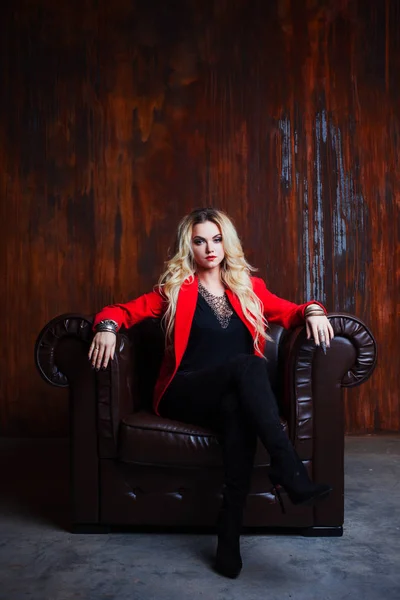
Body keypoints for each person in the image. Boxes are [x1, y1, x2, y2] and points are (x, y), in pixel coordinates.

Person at [89, 207, 334, 579]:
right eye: (200, 240)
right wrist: (107, 327)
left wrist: (315, 311)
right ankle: (288, 468)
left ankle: (229, 538)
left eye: (217, 239)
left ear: (227, 243)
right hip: (185, 391)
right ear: (189, 246)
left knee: (238, 409)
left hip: (227, 395)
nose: (209, 248)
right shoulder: (174, 290)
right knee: (250, 365)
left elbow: (292, 311)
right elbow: (122, 310)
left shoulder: (249, 288)